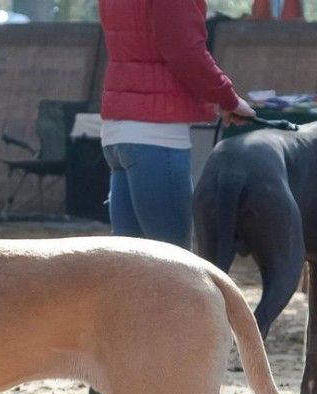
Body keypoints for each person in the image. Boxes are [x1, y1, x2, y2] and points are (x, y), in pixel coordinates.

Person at [97, 0, 255, 250]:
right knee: (174, 262)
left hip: (117, 132)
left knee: (129, 265)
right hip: (156, 134)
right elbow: (184, 51)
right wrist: (229, 98)